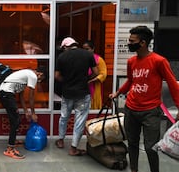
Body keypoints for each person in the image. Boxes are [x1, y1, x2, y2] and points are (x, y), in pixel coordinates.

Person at [109, 26, 179, 172]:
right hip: (131, 109)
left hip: (151, 111)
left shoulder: (159, 61)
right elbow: (130, 80)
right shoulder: (131, 61)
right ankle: (133, 169)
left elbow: (173, 84)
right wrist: (118, 92)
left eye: (132, 41)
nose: (129, 43)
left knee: (150, 147)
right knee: (132, 144)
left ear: (143, 43)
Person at [54, 37, 98, 156]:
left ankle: (61, 140)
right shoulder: (88, 54)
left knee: (64, 117)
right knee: (79, 121)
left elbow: (57, 76)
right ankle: (73, 148)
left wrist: (66, 81)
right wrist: (85, 79)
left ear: (65, 46)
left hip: (67, 93)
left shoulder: (62, 57)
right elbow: (96, 72)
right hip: (83, 93)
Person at [0, 68, 44, 159]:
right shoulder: (33, 76)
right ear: (40, 74)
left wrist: (26, 111)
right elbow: (31, 97)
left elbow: (21, 96)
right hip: (7, 94)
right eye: (40, 80)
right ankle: (10, 149)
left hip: (5, 93)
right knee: (15, 121)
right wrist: (33, 113)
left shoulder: (25, 76)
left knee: (15, 120)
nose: (38, 82)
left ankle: (13, 141)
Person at [82, 40, 107, 109]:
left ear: (93, 49)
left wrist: (92, 80)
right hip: (83, 86)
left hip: (94, 86)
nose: (85, 51)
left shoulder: (99, 59)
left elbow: (103, 74)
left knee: (93, 106)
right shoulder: (81, 59)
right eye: (83, 49)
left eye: (87, 49)